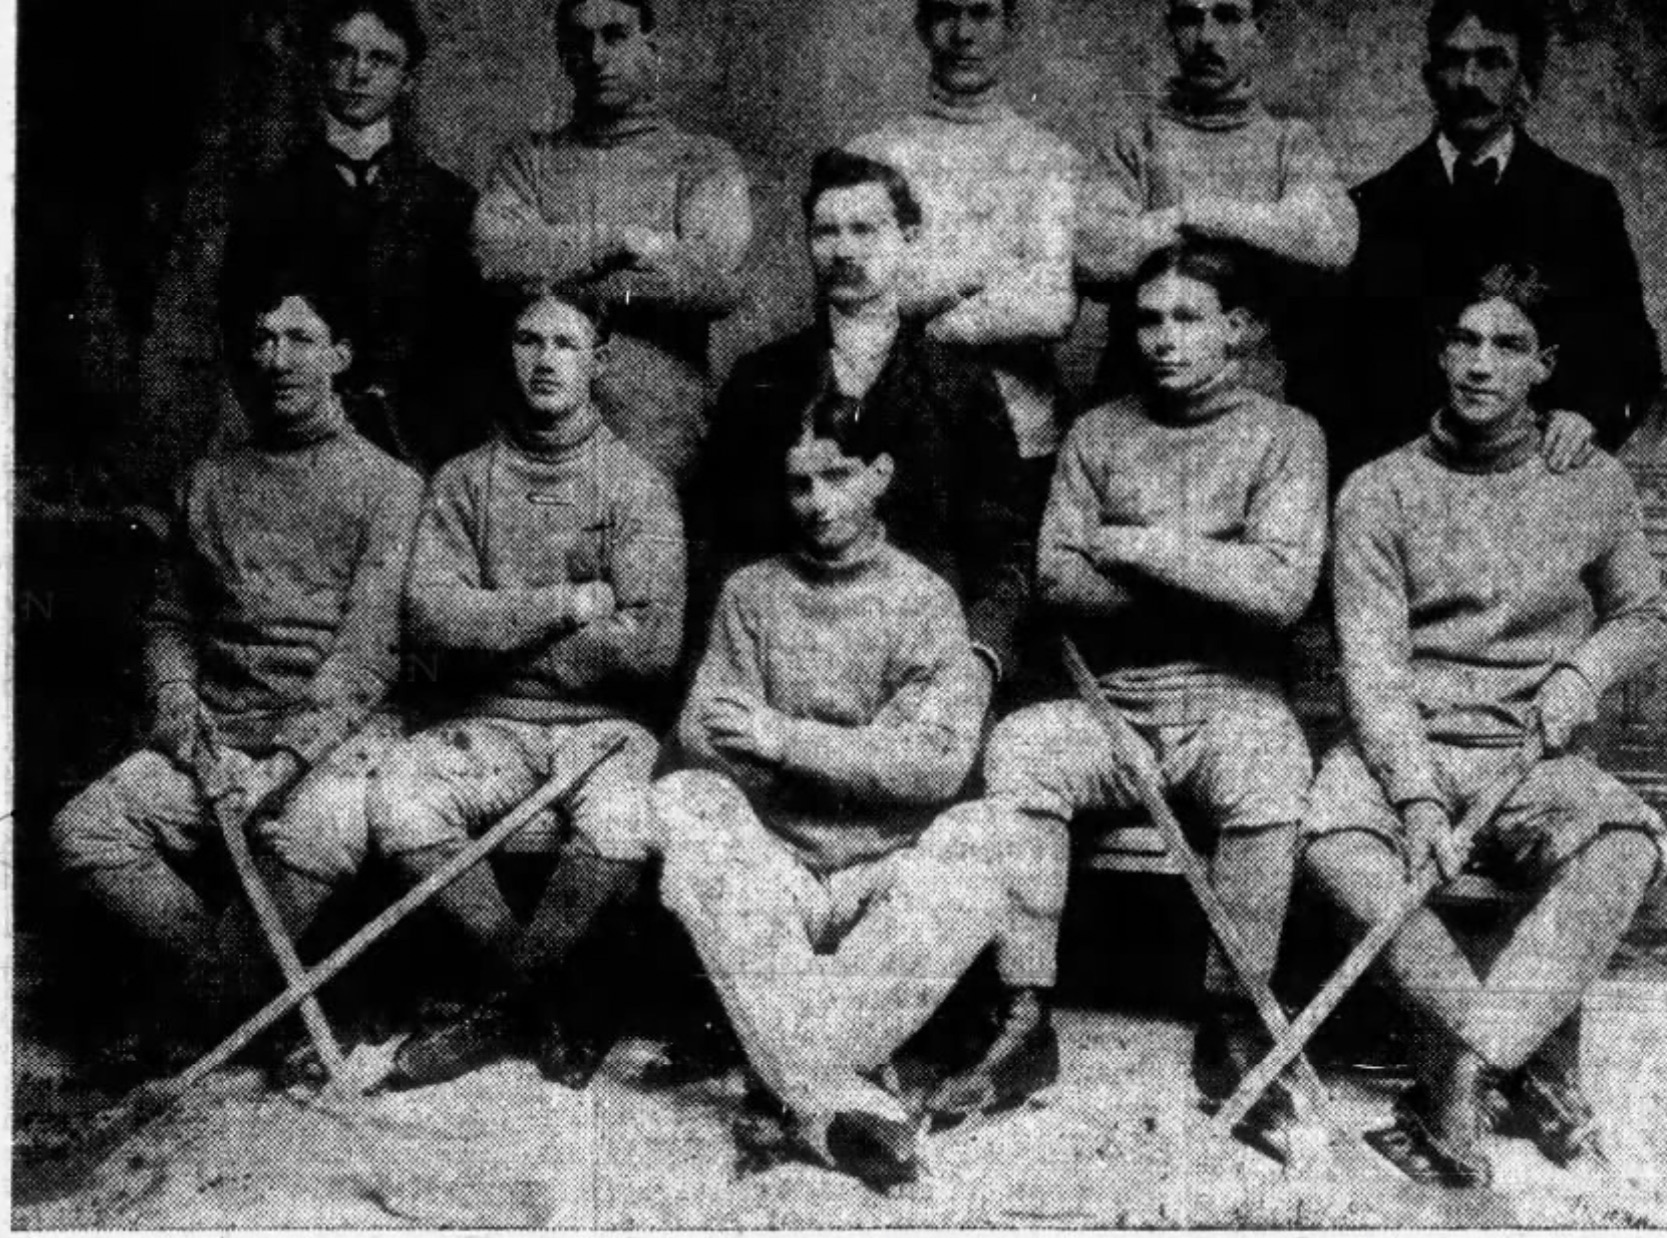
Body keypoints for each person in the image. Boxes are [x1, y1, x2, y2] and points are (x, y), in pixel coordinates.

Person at [941, 242, 1327, 1160]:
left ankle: (1234, 1022)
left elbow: (1279, 592)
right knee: (1023, 749)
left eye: (1188, 318)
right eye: (1148, 320)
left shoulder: (1287, 436)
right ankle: (1023, 1014)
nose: (1163, 339)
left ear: (1239, 329)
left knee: (1273, 762)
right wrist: (1215, 572)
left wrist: (1137, 544)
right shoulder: (1096, 434)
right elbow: (1058, 582)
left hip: (1231, 700)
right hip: (1108, 702)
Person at [1305, 262, 1667, 1187]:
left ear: (1545, 365)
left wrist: (1583, 671)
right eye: (1464, 341)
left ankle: (1462, 1068)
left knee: (1625, 844)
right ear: (1439, 353)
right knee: (1338, 848)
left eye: (1509, 346)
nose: (1480, 364)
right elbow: (1374, 669)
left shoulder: (1592, 481)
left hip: (1531, 754)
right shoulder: (1378, 490)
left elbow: (1643, 615)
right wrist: (1418, 798)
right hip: (1404, 745)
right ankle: (1508, 1057)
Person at [51, 274, 423, 1078]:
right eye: (262, 339)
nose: (277, 359)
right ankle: (262, 1006)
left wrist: (282, 764)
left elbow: (366, 656)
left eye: (300, 339)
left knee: (316, 831)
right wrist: (181, 709)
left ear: (341, 356)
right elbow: (169, 620)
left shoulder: (391, 488)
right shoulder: (209, 479)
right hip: (218, 732)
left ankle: (196, 1013)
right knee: (87, 828)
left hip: (341, 738)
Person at [652, 395, 1002, 1192]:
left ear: (880, 474)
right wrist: (865, 756)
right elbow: (704, 736)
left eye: (838, 477)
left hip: (885, 868)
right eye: (799, 484)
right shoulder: (751, 595)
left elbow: (934, 767)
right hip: (773, 865)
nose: (818, 503)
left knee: (990, 839)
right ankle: (841, 1096)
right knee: (684, 799)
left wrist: (782, 740)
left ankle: (796, 1085)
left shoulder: (924, 600)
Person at [368, 293, 684, 1089]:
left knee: (622, 813)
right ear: (507, 353)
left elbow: (650, 646)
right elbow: (431, 619)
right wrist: (566, 605)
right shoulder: (462, 482)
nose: (545, 361)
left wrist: (495, 635)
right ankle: (539, 998)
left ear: (599, 361)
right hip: (487, 725)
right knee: (401, 791)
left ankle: (502, 1006)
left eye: (566, 345)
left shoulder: (637, 486)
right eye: (528, 340)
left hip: (604, 728)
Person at [701, 147, 1032, 704]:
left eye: (865, 229)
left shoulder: (960, 386)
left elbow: (1005, 552)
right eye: (825, 232)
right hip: (788, 662)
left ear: (908, 237)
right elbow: (724, 539)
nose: (844, 250)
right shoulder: (761, 380)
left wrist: (979, 658)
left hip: (923, 665)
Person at [1330, 0, 1661, 479]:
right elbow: (1333, 372)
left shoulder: (1582, 202)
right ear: (1428, 78)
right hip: (1408, 487)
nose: (1469, 81)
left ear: (1526, 81)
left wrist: (1588, 415)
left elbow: (1632, 351)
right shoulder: (1368, 207)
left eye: (1492, 62)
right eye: (1453, 61)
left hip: (1538, 482)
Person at [472, 0, 753, 488]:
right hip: (537, 431)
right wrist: (622, 243)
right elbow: (496, 258)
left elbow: (715, 284)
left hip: (659, 427)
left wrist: (564, 275)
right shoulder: (527, 159)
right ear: (563, 56)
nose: (597, 55)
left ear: (652, 47)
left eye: (615, 35)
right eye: (580, 41)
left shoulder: (702, 161)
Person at [847, 0, 1082, 518]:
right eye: (946, 14)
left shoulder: (1051, 159)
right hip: (893, 429)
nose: (963, 34)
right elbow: (855, 297)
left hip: (1021, 435)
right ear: (921, 26)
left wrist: (926, 313)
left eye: (982, 14)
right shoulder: (871, 155)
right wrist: (986, 278)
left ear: (1010, 28)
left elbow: (1050, 308)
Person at [221, 0, 488, 469]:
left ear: (408, 80)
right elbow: (241, 336)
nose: (359, 73)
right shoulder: (268, 200)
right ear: (318, 65)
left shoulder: (450, 202)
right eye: (342, 54)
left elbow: (473, 351)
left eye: (380, 59)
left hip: (423, 453)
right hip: (302, 447)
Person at [1077, 0, 1357, 402]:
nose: (1207, 37)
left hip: (1254, 397)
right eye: (1190, 18)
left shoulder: (1290, 142)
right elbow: (1091, 254)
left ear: (1257, 31)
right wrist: (1189, 219)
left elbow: (1332, 239)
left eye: (1227, 17)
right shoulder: (1134, 142)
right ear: (1171, 30)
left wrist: (1205, 216)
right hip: (1137, 396)